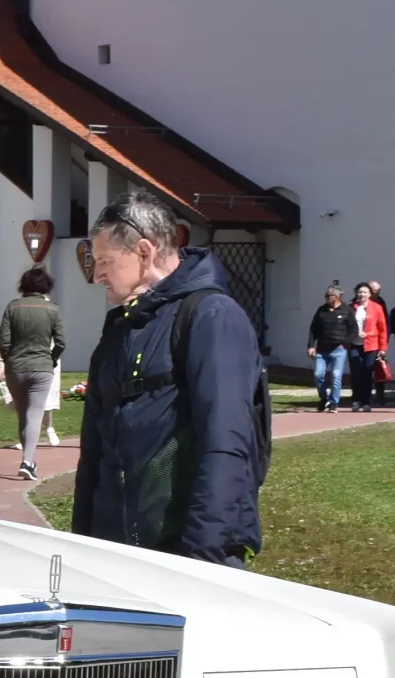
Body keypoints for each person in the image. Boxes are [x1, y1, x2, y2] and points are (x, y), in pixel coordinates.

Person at [71, 191, 267, 565]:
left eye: (105, 261)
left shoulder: (211, 317)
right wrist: (84, 546)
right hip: (116, 556)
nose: (96, 275)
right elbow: (93, 455)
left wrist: (203, 556)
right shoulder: (120, 329)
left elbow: (226, 443)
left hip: (187, 557)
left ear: (144, 252)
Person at [0, 267, 64, 480]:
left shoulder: (12, 307)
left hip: (16, 367)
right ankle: (27, 461)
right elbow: (61, 341)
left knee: (23, 415)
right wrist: (51, 358)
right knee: (34, 414)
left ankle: (28, 459)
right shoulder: (52, 309)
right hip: (42, 366)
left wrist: (9, 359)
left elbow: (3, 340)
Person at [307, 283, 354, 412]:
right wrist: (311, 346)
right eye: (326, 295)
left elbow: (353, 330)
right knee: (318, 375)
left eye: (329, 295)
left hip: (339, 349)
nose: (326, 298)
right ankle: (324, 398)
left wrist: (345, 342)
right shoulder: (321, 310)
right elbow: (313, 329)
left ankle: (334, 403)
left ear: (337, 297)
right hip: (322, 349)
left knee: (336, 375)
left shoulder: (346, 310)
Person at [349, 281, 390, 411]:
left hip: (371, 345)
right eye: (360, 292)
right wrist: (354, 333)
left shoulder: (377, 308)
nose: (362, 294)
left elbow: (382, 328)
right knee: (356, 372)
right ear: (356, 293)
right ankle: (356, 400)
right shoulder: (350, 308)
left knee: (367, 372)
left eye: (365, 292)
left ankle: (366, 401)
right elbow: (345, 326)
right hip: (355, 344)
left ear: (370, 294)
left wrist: (383, 348)